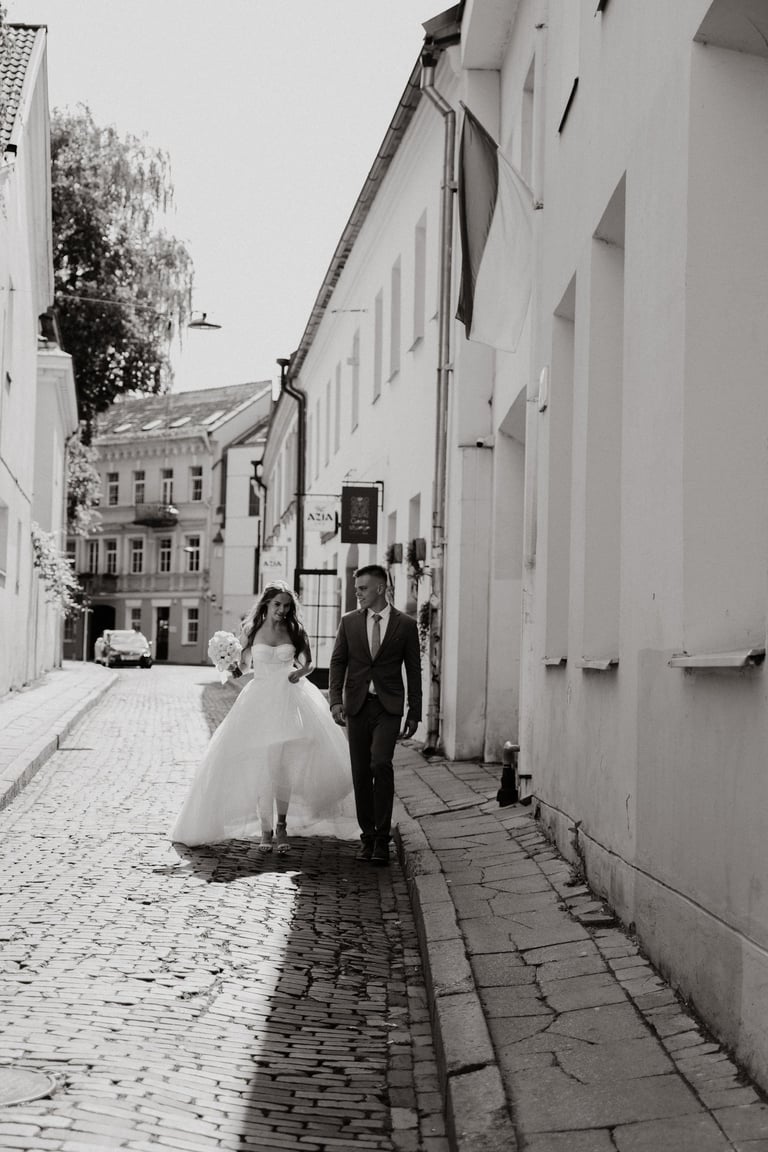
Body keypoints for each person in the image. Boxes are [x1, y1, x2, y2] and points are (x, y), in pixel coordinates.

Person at [171, 581, 355, 853]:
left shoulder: (295, 630)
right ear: (266, 604)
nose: (282, 610)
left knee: (283, 768)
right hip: (259, 701)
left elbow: (309, 663)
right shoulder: (252, 631)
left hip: (290, 699)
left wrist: (299, 673)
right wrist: (229, 665)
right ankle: (265, 830)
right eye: (277, 604)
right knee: (263, 768)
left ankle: (282, 827)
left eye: (287, 606)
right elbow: (245, 667)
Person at [329, 564, 422, 866]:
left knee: (380, 763)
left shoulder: (405, 625)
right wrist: (335, 701)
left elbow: (414, 670)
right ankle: (367, 837)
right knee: (360, 772)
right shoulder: (349, 622)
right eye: (356, 588)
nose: (357, 593)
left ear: (380, 588)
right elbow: (338, 662)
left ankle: (382, 838)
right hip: (356, 707)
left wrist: (415, 712)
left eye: (363, 588)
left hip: (388, 707)